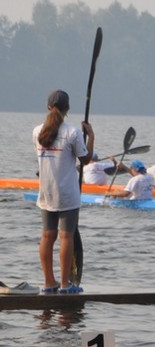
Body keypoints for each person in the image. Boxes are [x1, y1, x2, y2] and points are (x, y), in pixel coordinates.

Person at [33, 89, 94, 294]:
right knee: (66, 237)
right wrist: (91, 135)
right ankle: (65, 285)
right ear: (67, 109)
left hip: (46, 193)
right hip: (67, 194)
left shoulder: (37, 132)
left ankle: (48, 283)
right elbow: (85, 160)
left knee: (47, 236)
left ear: (48, 107)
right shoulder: (73, 132)